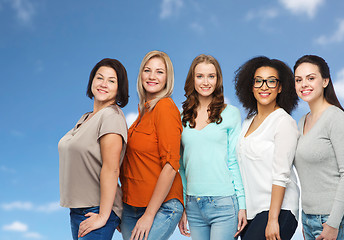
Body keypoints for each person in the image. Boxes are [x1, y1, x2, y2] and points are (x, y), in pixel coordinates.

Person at [177, 54, 247, 240]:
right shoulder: (182, 117)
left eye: (211, 76)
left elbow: (234, 161)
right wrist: (183, 205)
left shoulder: (231, 114)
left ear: (218, 80)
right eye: (200, 76)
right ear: (192, 79)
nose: (205, 82)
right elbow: (182, 167)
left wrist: (242, 205)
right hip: (193, 205)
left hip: (224, 203)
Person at [58, 58, 129, 240]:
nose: (104, 84)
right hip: (79, 209)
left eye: (111, 81)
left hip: (97, 210)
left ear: (119, 88)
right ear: (92, 81)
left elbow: (111, 168)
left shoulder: (111, 117)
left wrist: (103, 216)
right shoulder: (86, 118)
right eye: (100, 78)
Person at [234, 56, 300, 240]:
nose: (264, 86)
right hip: (251, 213)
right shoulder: (247, 122)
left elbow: (282, 173)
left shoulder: (283, 122)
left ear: (280, 87)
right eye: (259, 81)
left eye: (271, 81)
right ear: (251, 86)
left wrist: (273, 219)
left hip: (279, 210)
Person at [120, 50, 183, 240]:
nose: (152, 76)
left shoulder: (165, 107)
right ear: (140, 75)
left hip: (161, 207)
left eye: (159, 72)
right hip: (131, 207)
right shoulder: (142, 113)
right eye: (147, 70)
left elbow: (171, 166)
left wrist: (149, 215)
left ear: (167, 78)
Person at [293, 55, 344, 240]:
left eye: (311, 78)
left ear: (325, 81)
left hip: (335, 220)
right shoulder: (301, 122)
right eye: (299, 80)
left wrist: (333, 224)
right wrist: (306, 219)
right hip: (308, 219)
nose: (304, 84)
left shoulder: (335, 118)